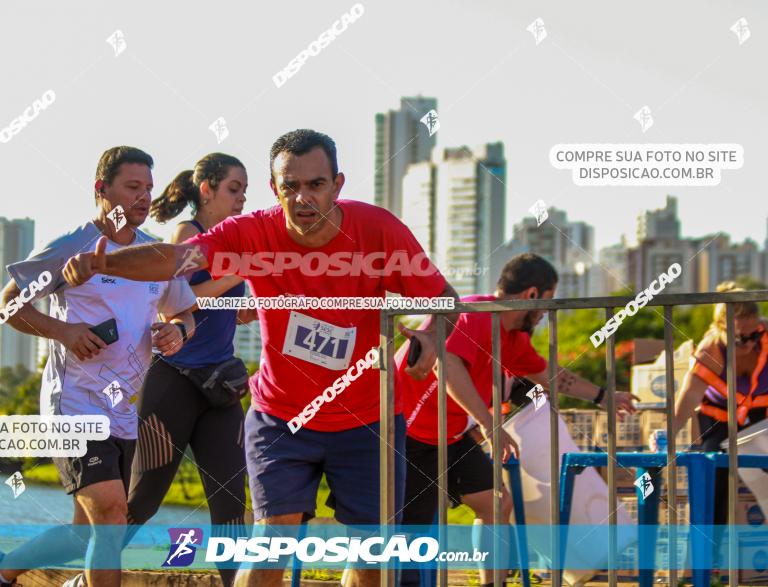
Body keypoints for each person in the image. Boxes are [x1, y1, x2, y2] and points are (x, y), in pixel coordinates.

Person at [62, 129, 460, 587]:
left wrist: (430, 337)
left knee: (371, 559)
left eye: (316, 184)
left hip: (366, 419)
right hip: (281, 419)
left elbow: (444, 298)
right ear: (274, 189)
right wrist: (106, 263)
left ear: (338, 184)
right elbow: (178, 260)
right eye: (290, 186)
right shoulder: (252, 232)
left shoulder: (378, 230)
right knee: (273, 543)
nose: (302, 197)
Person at [0, 146, 197, 587]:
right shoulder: (70, 247)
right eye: (132, 187)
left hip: (125, 410)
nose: (143, 197)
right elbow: (5, 307)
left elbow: (184, 312)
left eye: (148, 188)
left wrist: (179, 332)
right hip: (74, 403)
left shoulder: (152, 253)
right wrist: (65, 332)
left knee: (86, 533)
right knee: (111, 517)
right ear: (101, 190)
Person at [397, 254, 638, 587]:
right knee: (404, 529)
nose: (545, 315)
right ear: (533, 295)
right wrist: (488, 424)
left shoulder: (512, 339)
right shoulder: (474, 314)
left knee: (496, 504)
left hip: (447, 437)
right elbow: (445, 365)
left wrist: (603, 396)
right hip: (404, 433)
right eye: (547, 304)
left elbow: (550, 376)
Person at [124, 153, 253, 587]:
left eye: (244, 192)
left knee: (231, 505)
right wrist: (235, 274)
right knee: (143, 500)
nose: (241, 199)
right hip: (174, 383)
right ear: (207, 190)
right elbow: (185, 299)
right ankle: (88, 574)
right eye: (234, 190)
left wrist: (245, 306)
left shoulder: (234, 243)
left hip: (219, 388)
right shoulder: (187, 234)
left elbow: (224, 304)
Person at [669, 281, 768, 529]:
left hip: (760, 418)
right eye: (739, 338)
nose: (748, 344)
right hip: (718, 420)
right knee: (712, 474)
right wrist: (665, 437)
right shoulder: (710, 351)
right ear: (720, 330)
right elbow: (686, 401)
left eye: (753, 335)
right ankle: (710, 558)